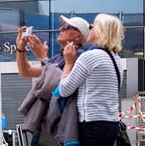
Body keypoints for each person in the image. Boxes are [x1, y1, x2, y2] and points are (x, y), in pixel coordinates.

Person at [16, 15, 90, 146]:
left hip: (62, 123)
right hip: (47, 122)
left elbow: (55, 84)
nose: (61, 28)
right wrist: (20, 48)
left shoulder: (82, 57)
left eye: (66, 27)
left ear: (78, 37)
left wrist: (43, 58)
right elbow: (25, 71)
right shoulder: (58, 58)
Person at [59, 13, 125, 146]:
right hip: (111, 123)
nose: (89, 28)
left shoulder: (89, 57)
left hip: (91, 123)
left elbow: (64, 90)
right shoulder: (116, 59)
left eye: (92, 26)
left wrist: (68, 63)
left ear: (100, 31)